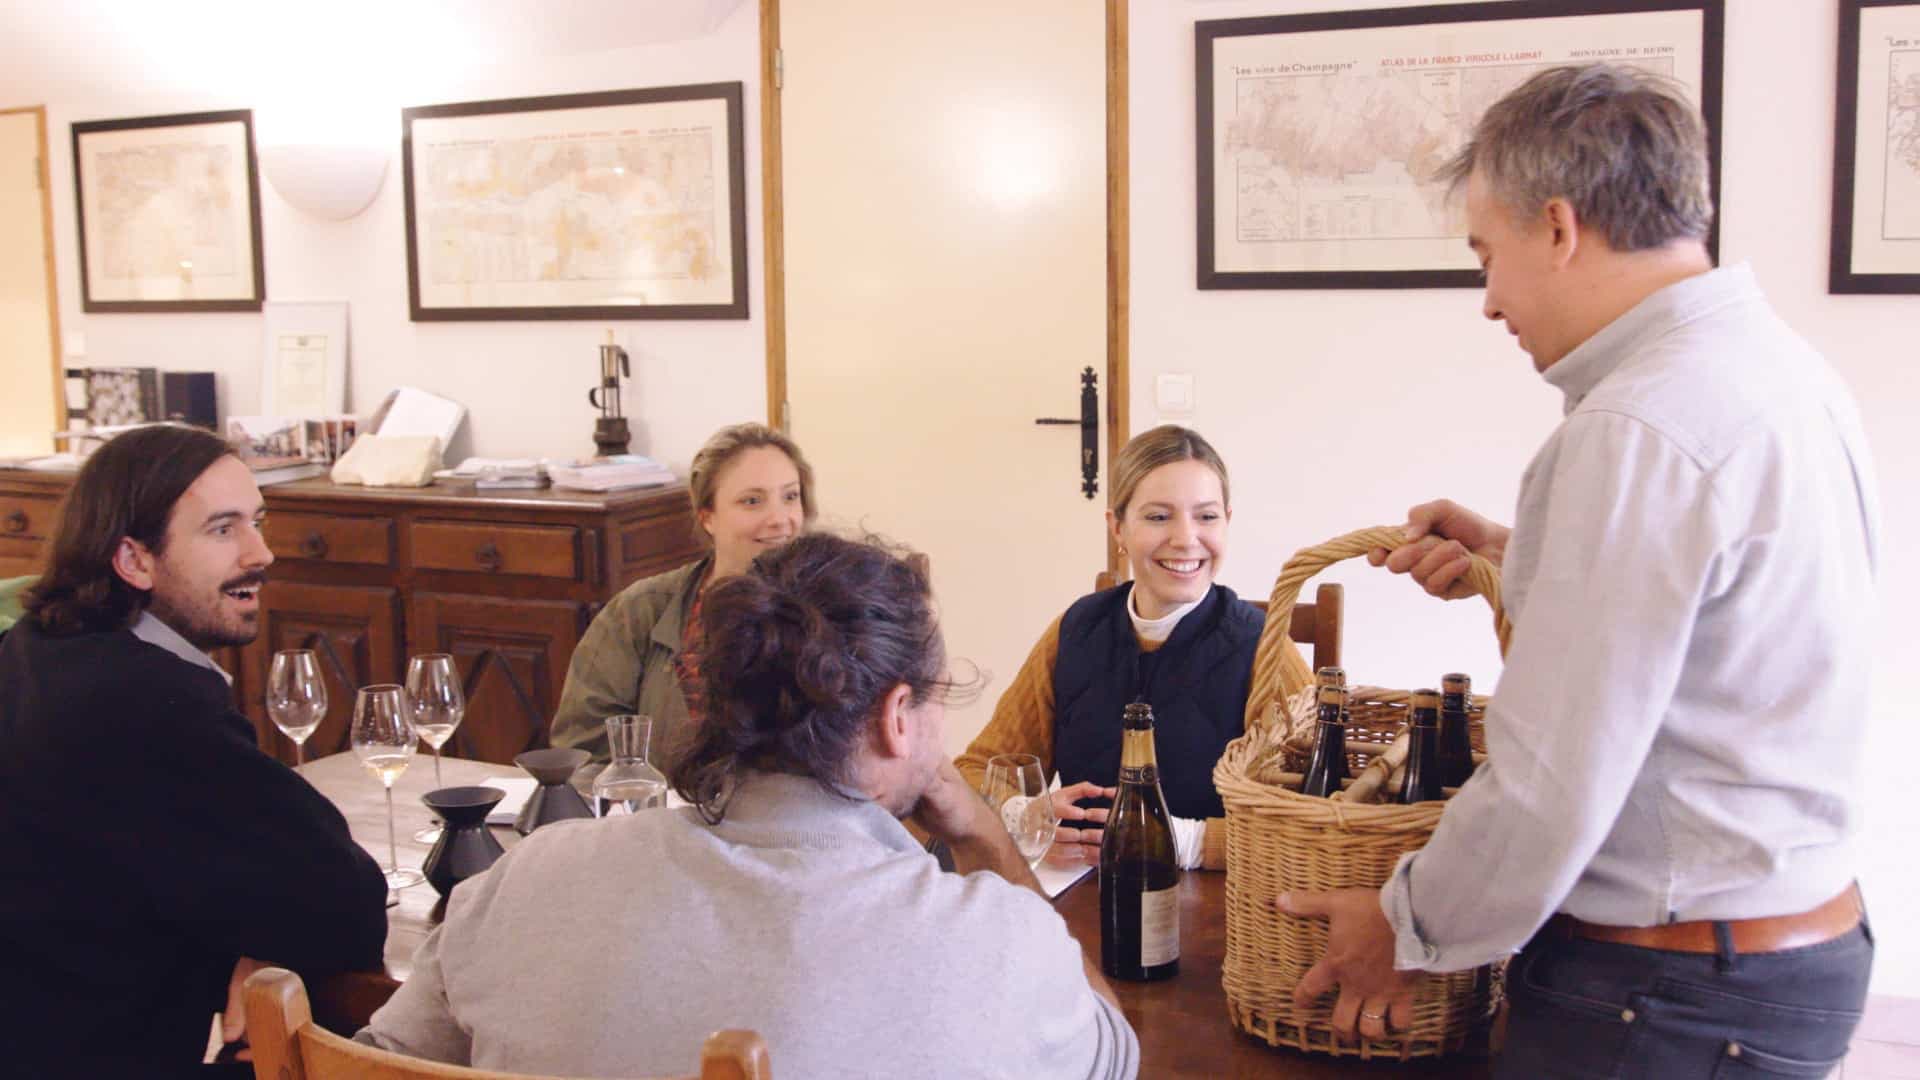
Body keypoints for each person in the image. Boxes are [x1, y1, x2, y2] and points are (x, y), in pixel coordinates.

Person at [1277, 65, 1880, 1077]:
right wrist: (1515, 556)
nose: (1489, 301)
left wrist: (1407, 925)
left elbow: (1551, 780)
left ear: (1556, 227)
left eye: (1487, 255)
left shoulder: (1634, 430)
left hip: (1667, 994)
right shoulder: (1775, 371)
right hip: (1778, 954)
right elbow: (1709, 629)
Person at [357, 533, 1139, 1078]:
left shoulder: (524, 879)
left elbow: (371, 1063)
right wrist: (983, 836)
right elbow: (1115, 1053)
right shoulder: (992, 941)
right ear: (899, 718)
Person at [0, 424, 388, 1074]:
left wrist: (254, 940)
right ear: (135, 560)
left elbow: (145, 875)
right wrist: (268, 939)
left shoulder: (33, 650)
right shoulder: (144, 701)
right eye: (222, 529)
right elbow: (347, 900)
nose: (261, 552)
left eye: (258, 522)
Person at [956, 425, 1306, 871]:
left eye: (1206, 516)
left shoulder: (1266, 649)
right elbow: (978, 769)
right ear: (1117, 527)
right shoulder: (1074, 629)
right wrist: (1025, 815)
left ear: (1228, 522)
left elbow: (1316, 817)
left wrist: (1184, 841)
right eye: (1158, 517)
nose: (1186, 538)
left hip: (1215, 908)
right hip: (1084, 891)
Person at [549, 422, 816, 772]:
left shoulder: (834, 610)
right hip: (660, 819)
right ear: (708, 517)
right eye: (752, 501)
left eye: (790, 496)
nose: (780, 520)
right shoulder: (639, 611)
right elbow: (582, 749)